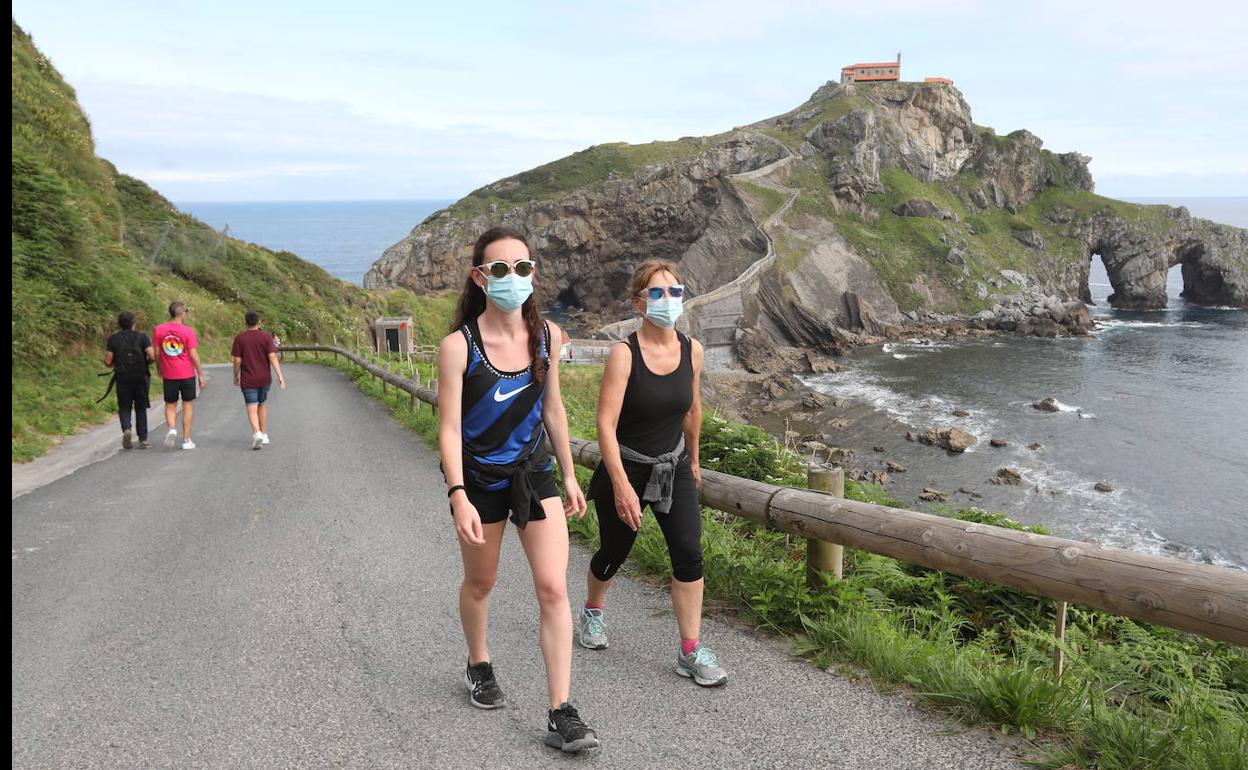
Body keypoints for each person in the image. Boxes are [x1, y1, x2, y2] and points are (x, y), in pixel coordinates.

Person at [437, 227, 599, 753]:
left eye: (523, 267)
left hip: (534, 474)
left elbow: (553, 408)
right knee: (481, 583)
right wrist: (457, 493)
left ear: (534, 272)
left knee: (554, 588)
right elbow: (448, 428)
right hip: (480, 479)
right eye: (501, 269)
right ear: (480, 277)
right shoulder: (458, 347)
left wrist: (570, 474)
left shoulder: (548, 337)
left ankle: (561, 711)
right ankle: (478, 664)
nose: (514, 278)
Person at [578, 260, 728, 687]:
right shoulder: (624, 354)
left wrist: (694, 460)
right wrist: (622, 485)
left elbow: (693, 410)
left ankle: (690, 650)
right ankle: (593, 610)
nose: (668, 300)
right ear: (639, 302)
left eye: (674, 291)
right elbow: (604, 423)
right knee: (613, 552)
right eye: (657, 293)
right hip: (625, 466)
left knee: (688, 553)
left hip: (673, 464)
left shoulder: (692, 350)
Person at [231, 310, 286, 450]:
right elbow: (272, 357)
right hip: (264, 378)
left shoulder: (240, 338)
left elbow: (237, 360)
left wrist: (236, 375)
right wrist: (280, 376)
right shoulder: (266, 337)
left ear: (245, 323)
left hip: (248, 378)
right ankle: (264, 433)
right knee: (262, 404)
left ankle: (257, 433)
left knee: (251, 406)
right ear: (259, 322)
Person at [152, 301, 205, 450]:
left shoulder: (158, 330)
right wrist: (200, 373)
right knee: (187, 404)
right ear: (182, 314)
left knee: (170, 404)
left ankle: (172, 429)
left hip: (169, 374)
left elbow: (156, 353)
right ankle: (187, 440)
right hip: (187, 373)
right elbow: (193, 355)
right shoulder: (188, 331)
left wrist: (159, 368)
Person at [104, 311, 155, 449]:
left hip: (122, 378)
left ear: (119, 324)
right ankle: (143, 439)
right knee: (140, 407)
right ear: (134, 323)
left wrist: (115, 364)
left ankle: (127, 429)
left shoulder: (113, 339)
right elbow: (152, 355)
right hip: (140, 377)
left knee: (125, 406)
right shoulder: (142, 337)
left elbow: (108, 361)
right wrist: (146, 363)